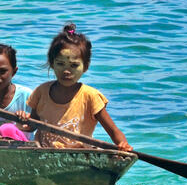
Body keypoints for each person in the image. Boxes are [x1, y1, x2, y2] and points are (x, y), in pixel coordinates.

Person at [16, 23, 132, 151]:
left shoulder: (90, 96)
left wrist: (123, 145)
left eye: (74, 65)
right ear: (52, 63)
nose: (66, 71)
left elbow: (113, 131)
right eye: (60, 64)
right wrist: (22, 121)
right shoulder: (41, 92)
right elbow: (32, 125)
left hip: (79, 154)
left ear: (85, 67)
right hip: (45, 152)